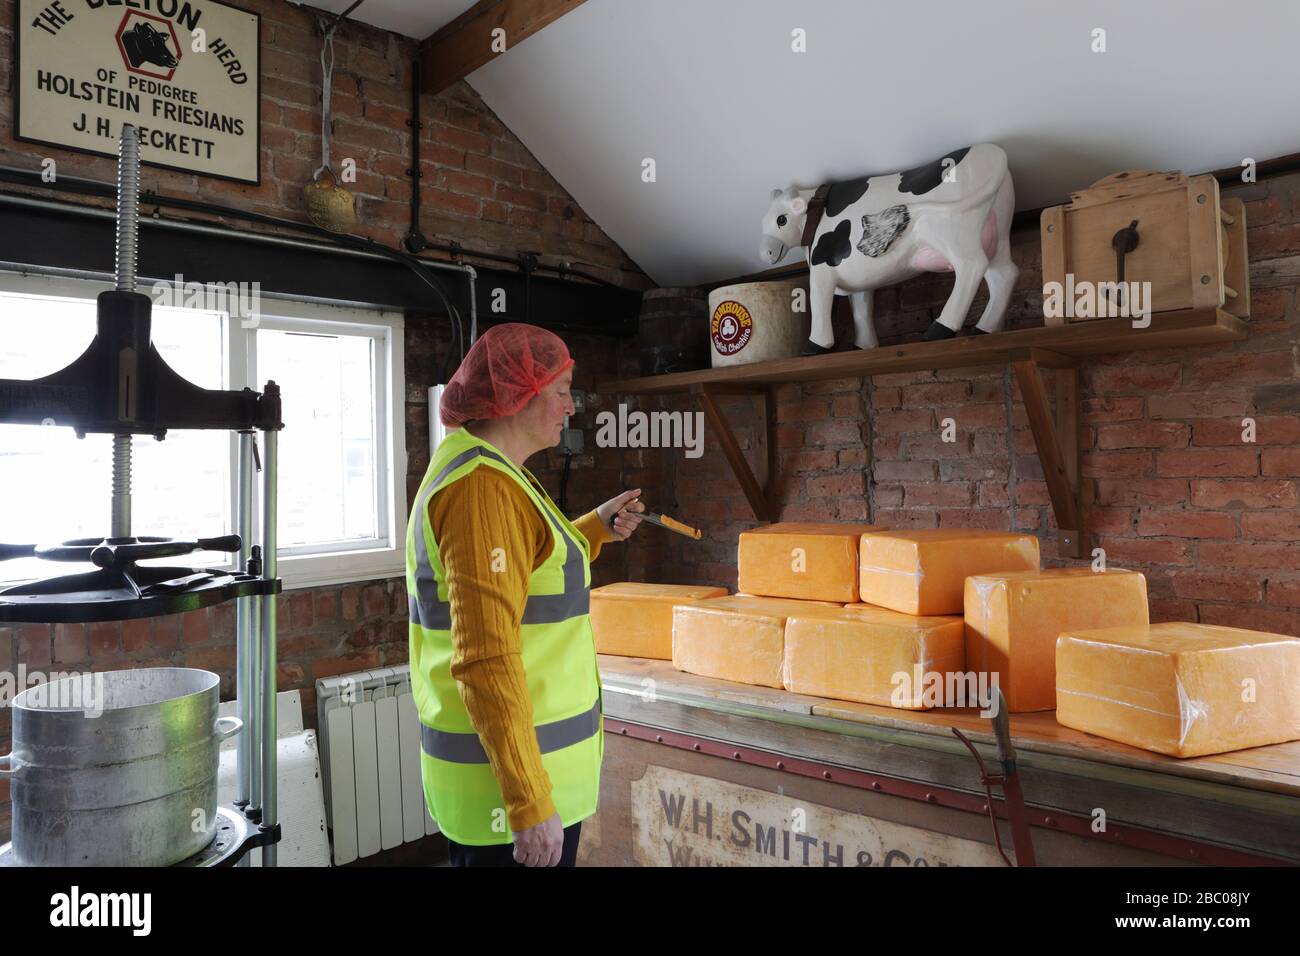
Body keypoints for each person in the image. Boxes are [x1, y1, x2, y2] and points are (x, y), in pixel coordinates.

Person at [406, 322, 644, 867]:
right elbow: (486, 658)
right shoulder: (480, 490)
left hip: (522, 781)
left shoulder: (495, 472)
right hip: (509, 795)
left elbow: (525, 570)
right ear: (520, 396)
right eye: (562, 391)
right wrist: (529, 802)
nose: (571, 407)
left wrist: (595, 527)